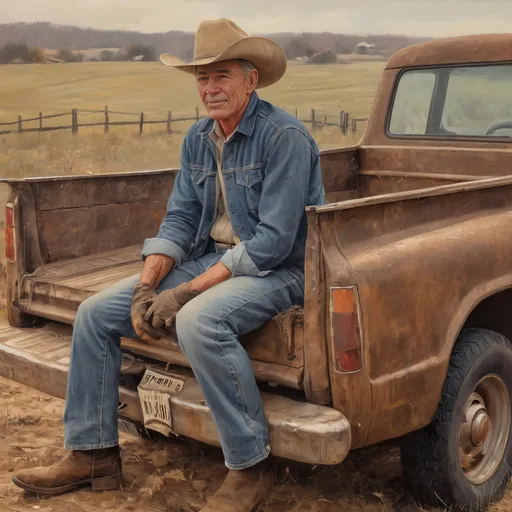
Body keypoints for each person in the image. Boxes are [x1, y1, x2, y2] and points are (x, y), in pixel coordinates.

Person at [12, 18, 324, 511]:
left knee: (199, 319)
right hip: (213, 259)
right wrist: (146, 285)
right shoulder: (199, 138)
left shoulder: (285, 137)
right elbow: (179, 220)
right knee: (95, 314)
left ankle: (249, 465)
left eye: (222, 75)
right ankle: (93, 453)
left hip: (278, 270)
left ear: (251, 80)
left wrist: (185, 292)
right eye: (202, 78)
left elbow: (273, 242)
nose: (210, 88)